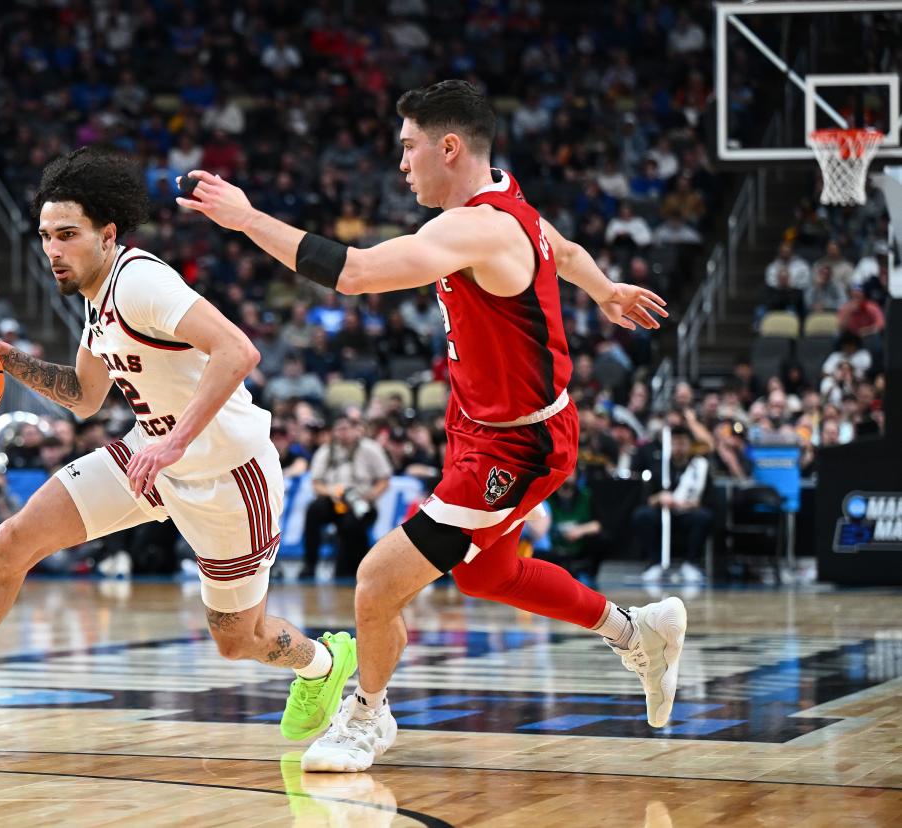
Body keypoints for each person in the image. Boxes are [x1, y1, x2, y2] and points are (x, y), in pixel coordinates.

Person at [180, 79, 684, 772]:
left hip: (519, 443)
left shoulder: (474, 226)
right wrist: (604, 290)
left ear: (450, 147)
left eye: (409, 146)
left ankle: (367, 715)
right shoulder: (511, 203)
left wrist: (246, 218)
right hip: (479, 426)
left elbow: (353, 274)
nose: (402, 162)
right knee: (489, 576)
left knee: (378, 581)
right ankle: (637, 631)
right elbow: (561, 251)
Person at [0, 149, 356, 746]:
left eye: (67, 235)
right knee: (15, 538)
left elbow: (238, 351)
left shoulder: (140, 280)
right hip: (152, 458)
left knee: (236, 640)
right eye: (45, 236)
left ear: (107, 234)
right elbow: (84, 396)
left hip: (229, 475)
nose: (52, 250)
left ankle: (323, 664)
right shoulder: (97, 300)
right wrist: (6, 357)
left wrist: (173, 442)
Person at [302, 414, 392, 580]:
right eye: (339, 429)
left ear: (356, 430)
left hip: (361, 499)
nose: (343, 433)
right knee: (313, 510)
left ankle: (350, 569)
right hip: (334, 498)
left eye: (347, 429)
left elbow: (384, 479)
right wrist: (330, 492)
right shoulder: (326, 450)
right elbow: (316, 483)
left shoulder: (370, 449)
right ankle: (309, 565)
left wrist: (370, 495)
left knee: (352, 523)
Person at [631, 426, 712, 585]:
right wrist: (660, 497)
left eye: (683, 443)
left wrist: (691, 504)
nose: (679, 448)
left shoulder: (699, 467)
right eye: (675, 443)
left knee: (704, 517)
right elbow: (647, 498)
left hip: (688, 512)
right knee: (642, 515)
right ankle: (654, 563)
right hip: (663, 513)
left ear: (689, 445)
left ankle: (690, 564)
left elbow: (708, 499)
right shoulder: (659, 467)